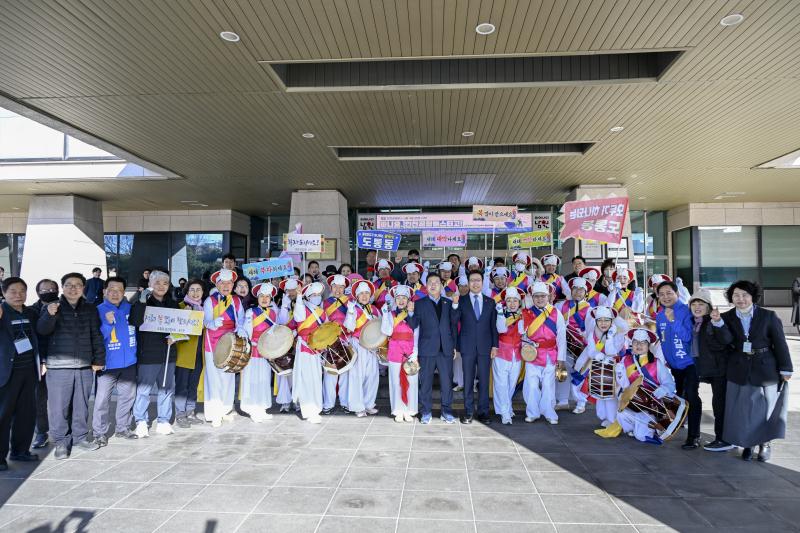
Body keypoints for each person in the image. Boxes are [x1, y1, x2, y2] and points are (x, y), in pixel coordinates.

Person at [718, 280, 792, 462]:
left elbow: (780, 343)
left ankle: (765, 444)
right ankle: (748, 444)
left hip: (766, 368)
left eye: (745, 295)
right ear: (731, 298)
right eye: (736, 295)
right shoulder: (726, 317)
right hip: (739, 368)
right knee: (743, 411)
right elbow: (724, 342)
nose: (740, 299)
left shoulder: (768, 316)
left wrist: (786, 368)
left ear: (753, 297)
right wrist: (717, 324)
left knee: (765, 409)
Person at [37, 273, 105, 458]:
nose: (73, 288)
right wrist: (49, 315)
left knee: (81, 405)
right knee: (58, 407)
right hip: (58, 366)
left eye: (77, 285)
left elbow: (96, 335)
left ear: (83, 288)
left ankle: (80, 437)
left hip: (84, 365)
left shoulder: (90, 308)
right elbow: (42, 331)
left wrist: (99, 360)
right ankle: (60, 441)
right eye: (69, 285)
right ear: (62, 287)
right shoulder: (52, 306)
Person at [130, 270, 181, 437]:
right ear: (150, 284)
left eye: (165, 283)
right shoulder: (141, 300)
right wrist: (142, 301)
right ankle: (141, 421)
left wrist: (175, 337)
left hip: (168, 353)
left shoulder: (173, 303)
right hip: (148, 354)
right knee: (143, 389)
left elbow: (181, 326)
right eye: (157, 282)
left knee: (166, 388)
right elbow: (135, 321)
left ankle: (163, 421)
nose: (161, 286)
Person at [406, 273, 460, 424]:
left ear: (441, 286)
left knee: (447, 383)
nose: (434, 284)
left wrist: (454, 346)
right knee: (426, 383)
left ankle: (446, 411)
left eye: (437, 282)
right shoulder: (419, 303)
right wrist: (410, 312)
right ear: (426, 286)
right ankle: (426, 411)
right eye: (430, 282)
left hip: (445, 348)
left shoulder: (448, 302)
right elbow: (413, 325)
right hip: (427, 349)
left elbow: (454, 324)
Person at [0, 277, 42, 469]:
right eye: (13, 291)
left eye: (22, 291)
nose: (18, 295)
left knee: (26, 413)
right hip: (6, 373)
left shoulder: (30, 312)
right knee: (3, 415)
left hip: (29, 371)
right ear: (4, 293)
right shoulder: (2, 312)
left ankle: (20, 451)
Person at [656, 280, 702, 450]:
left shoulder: (686, 311)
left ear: (677, 293)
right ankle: (680, 422)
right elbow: (662, 338)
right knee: (680, 396)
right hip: (675, 366)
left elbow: (688, 337)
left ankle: (694, 436)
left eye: (669, 293)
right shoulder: (660, 315)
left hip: (690, 364)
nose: (666, 297)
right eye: (662, 294)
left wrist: (673, 320)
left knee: (691, 396)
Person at [93, 276, 138, 445]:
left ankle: (123, 428)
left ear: (124, 292)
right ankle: (99, 432)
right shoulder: (98, 310)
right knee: (102, 400)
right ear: (104, 291)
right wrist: (107, 323)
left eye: (119, 290)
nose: (115, 293)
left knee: (127, 397)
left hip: (129, 363)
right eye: (111, 289)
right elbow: (95, 338)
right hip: (107, 364)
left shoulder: (130, 308)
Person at [688, 289, 734, 452]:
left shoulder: (712, 321)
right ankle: (696, 436)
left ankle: (723, 438)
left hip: (718, 368)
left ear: (709, 306)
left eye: (701, 304)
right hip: (700, 366)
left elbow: (727, 339)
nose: (697, 307)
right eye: (694, 304)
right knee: (695, 398)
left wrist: (718, 322)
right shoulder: (692, 322)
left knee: (719, 404)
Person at [616, 328, 677, 444]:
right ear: (631, 344)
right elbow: (624, 385)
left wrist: (664, 389)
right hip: (634, 403)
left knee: (641, 436)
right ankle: (636, 427)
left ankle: (649, 427)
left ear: (648, 345)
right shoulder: (625, 360)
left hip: (652, 407)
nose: (639, 345)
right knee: (621, 414)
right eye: (635, 342)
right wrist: (619, 373)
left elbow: (670, 384)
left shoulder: (656, 363)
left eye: (643, 342)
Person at [202, 269, 246, 427]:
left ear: (233, 285)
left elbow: (241, 319)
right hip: (213, 342)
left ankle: (225, 410)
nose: (226, 286)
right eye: (223, 283)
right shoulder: (210, 301)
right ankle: (214, 412)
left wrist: (241, 328)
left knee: (228, 376)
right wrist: (212, 323)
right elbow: (205, 321)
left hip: (230, 342)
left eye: (229, 283)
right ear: (217, 284)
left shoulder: (236, 300)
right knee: (214, 378)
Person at [574, 306, 627, 432]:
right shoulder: (593, 333)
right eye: (600, 320)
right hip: (600, 366)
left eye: (606, 320)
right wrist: (597, 355)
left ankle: (614, 420)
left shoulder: (618, 333)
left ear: (611, 321)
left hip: (616, 367)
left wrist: (609, 337)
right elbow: (591, 351)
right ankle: (606, 417)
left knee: (611, 395)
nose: (603, 323)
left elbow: (612, 351)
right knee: (600, 394)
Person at [521, 282, 566, 424]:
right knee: (532, 385)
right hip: (532, 355)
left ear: (548, 297)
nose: (540, 299)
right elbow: (523, 335)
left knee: (548, 385)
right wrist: (526, 348)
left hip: (550, 355)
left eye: (543, 296)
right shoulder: (527, 313)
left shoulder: (556, 313)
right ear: (532, 298)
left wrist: (561, 359)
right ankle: (532, 412)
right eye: (536, 296)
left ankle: (549, 412)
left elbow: (561, 337)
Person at [456, 271, 497, 424]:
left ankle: (483, 412)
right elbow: (454, 322)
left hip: (485, 347)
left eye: (478, 280)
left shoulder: (490, 302)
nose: (475, 283)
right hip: (467, 347)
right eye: (472, 280)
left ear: (482, 282)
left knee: (484, 381)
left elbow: (493, 326)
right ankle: (468, 412)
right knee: (468, 381)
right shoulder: (461, 301)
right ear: (468, 283)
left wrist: (495, 345)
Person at [242, 282, 281, 422]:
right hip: (253, 351)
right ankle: (253, 409)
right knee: (252, 379)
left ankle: (262, 407)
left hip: (266, 352)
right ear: (257, 298)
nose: (264, 299)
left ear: (271, 298)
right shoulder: (251, 312)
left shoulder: (274, 313)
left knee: (264, 379)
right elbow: (247, 333)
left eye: (267, 296)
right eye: (261, 296)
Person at [291, 281, 328, 424]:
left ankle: (316, 408)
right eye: (313, 295)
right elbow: (298, 317)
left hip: (317, 349)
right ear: (307, 296)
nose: (316, 297)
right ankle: (308, 410)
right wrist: (299, 297)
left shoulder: (322, 312)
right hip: (305, 348)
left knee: (316, 379)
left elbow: (326, 330)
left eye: (319, 295)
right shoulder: (302, 307)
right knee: (306, 379)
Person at [381, 285, 419, 422]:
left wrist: (415, 352)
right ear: (394, 300)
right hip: (395, 352)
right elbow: (387, 331)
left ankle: (409, 410)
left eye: (404, 298)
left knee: (412, 382)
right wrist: (385, 314)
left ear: (408, 300)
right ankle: (398, 410)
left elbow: (417, 334)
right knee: (396, 382)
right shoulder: (390, 314)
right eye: (398, 298)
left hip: (410, 352)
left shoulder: (414, 314)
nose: (401, 301)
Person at [344, 280, 381, 417]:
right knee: (357, 377)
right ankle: (357, 406)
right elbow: (349, 328)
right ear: (357, 296)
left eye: (367, 293)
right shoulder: (353, 309)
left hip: (372, 347)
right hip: (358, 345)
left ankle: (368, 404)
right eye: (361, 294)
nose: (364, 296)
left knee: (372, 377)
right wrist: (350, 312)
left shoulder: (375, 309)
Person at [556, 277, 592, 412]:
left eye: (581, 289)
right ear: (571, 290)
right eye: (575, 289)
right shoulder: (561, 305)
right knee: (562, 371)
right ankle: (563, 400)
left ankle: (581, 403)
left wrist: (583, 337)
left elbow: (591, 330)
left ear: (585, 292)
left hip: (581, 347)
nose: (578, 292)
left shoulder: (590, 309)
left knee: (580, 374)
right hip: (564, 344)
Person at [30, 279, 58, 449]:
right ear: (37, 292)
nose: (49, 292)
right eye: (44, 290)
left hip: (61, 361)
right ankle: (41, 432)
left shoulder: (65, 307)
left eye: (52, 289)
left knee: (62, 400)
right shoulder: (31, 311)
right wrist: (40, 360)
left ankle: (65, 431)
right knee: (39, 400)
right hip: (39, 362)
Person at [174, 279, 206, 427]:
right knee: (182, 385)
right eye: (192, 290)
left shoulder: (203, 309)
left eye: (198, 290)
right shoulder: (180, 307)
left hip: (199, 354)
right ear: (186, 291)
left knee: (193, 384)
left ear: (203, 292)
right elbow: (174, 331)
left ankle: (190, 412)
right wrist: (184, 316)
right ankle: (180, 414)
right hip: (184, 353)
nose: (195, 293)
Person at [494, 287, 525, 425]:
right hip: (502, 352)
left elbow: (523, 332)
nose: (512, 303)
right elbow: (501, 329)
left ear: (519, 302)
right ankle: (504, 412)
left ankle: (507, 407)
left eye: (515, 301)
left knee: (512, 384)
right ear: (505, 302)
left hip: (516, 354)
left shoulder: (523, 315)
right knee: (501, 384)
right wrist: (500, 313)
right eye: (509, 300)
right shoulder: (500, 313)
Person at [322, 274, 350, 414]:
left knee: (345, 373)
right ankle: (328, 403)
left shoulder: (350, 302)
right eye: (335, 287)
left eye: (341, 287)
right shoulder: (324, 303)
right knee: (330, 373)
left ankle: (345, 402)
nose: (338, 290)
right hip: (330, 341)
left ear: (345, 288)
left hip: (346, 340)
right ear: (330, 287)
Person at [277, 278, 302, 412]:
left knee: (298, 372)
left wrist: (296, 332)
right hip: (285, 342)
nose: (291, 293)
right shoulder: (282, 303)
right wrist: (284, 306)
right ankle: (284, 402)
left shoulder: (303, 302)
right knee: (284, 372)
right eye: (289, 290)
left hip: (298, 341)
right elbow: (281, 321)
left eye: (294, 290)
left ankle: (297, 400)